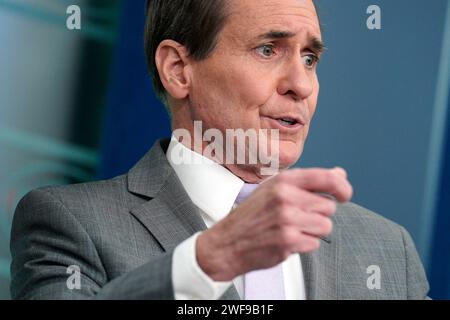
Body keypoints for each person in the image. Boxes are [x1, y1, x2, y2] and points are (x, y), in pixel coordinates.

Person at [10, 0, 429, 300]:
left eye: (309, 58)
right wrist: (207, 262)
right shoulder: (68, 223)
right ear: (178, 70)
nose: (300, 85)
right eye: (268, 49)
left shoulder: (387, 250)